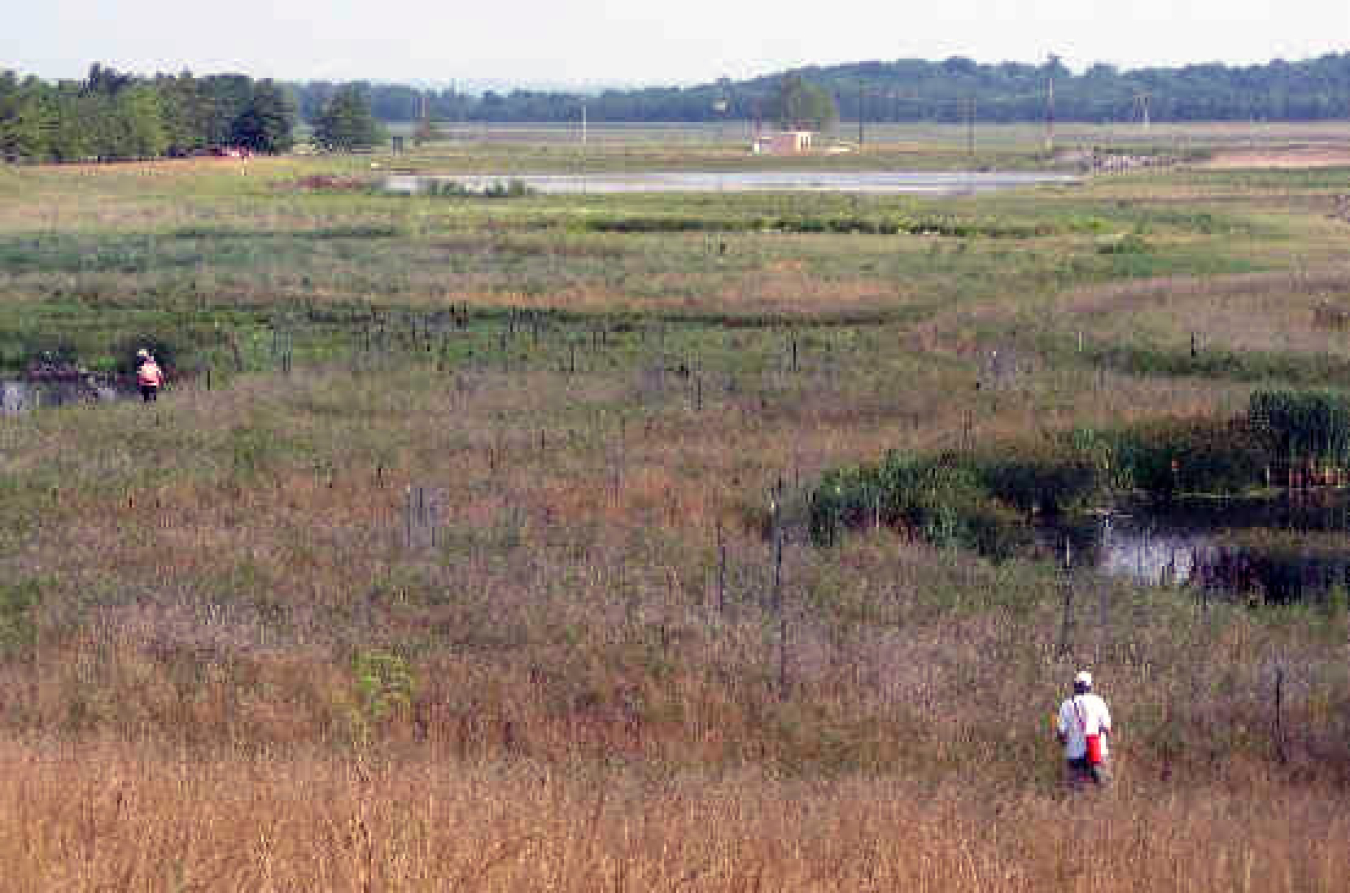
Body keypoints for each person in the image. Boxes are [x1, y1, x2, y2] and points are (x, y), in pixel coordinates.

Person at [1056, 670, 1113, 790]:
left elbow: (1061, 734)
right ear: (1090, 686)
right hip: (1097, 752)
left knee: (1077, 793)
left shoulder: (1066, 704)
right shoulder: (1098, 701)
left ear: (1075, 686)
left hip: (1074, 754)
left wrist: (1068, 745)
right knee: (1104, 789)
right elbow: (1107, 729)